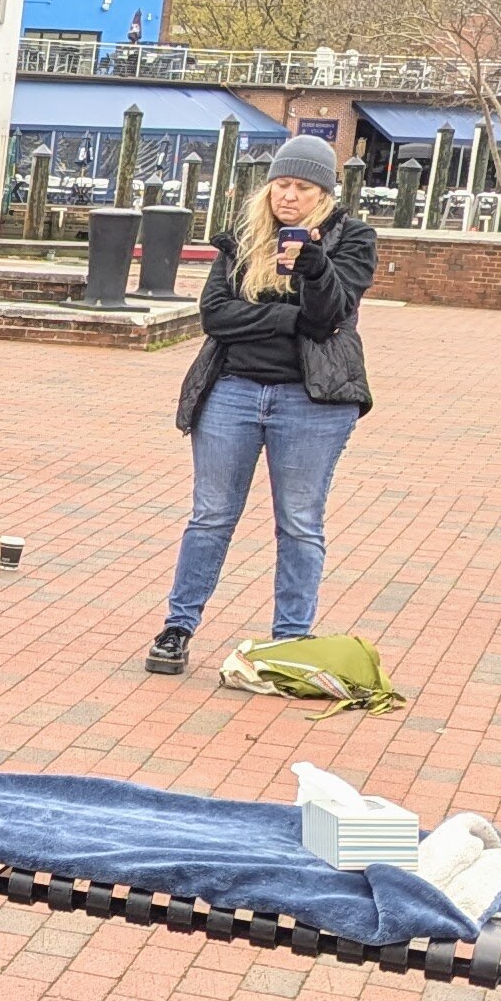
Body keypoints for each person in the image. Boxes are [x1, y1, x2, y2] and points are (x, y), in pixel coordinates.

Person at [145, 130, 376, 673]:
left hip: (312, 402)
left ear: (324, 193)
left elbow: (330, 316)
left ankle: (290, 642)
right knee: (210, 516)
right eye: (280, 184)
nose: (287, 195)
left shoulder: (353, 240)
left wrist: (314, 266)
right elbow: (215, 316)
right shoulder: (243, 239)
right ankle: (178, 627)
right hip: (233, 392)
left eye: (301, 186)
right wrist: (291, 319)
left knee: (299, 521)